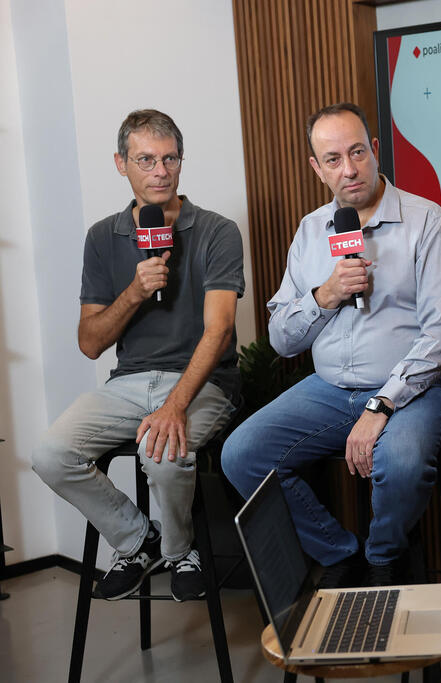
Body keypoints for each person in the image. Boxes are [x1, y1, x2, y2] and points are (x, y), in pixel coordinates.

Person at [221, 103, 441, 587]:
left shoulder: (426, 221)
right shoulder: (312, 231)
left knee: (401, 461)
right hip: (330, 390)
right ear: (317, 169)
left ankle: (382, 559)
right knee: (242, 454)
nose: (349, 169)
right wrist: (325, 295)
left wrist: (380, 406)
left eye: (357, 152)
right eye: (332, 159)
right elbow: (281, 339)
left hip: (416, 389)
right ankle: (339, 554)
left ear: (375, 150)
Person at [32, 109, 245, 602]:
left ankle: (181, 550)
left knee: (164, 455)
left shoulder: (217, 230)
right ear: (121, 163)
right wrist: (133, 291)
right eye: (146, 159)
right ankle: (138, 539)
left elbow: (220, 330)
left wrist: (173, 406)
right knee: (49, 454)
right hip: (127, 382)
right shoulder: (103, 238)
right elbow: (89, 343)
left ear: (181, 161)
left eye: (169, 159)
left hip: (203, 381)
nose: (160, 171)